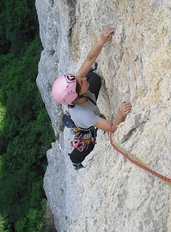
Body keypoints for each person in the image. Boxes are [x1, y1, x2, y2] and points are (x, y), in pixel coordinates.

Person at [52, 27, 132, 170]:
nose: (82, 78)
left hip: (86, 101)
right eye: (80, 82)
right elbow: (112, 128)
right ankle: (75, 160)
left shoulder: (77, 85)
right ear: (76, 95)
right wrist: (119, 115)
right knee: (87, 147)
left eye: (79, 79)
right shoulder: (86, 115)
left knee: (94, 78)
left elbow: (89, 59)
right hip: (85, 126)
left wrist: (101, 41)